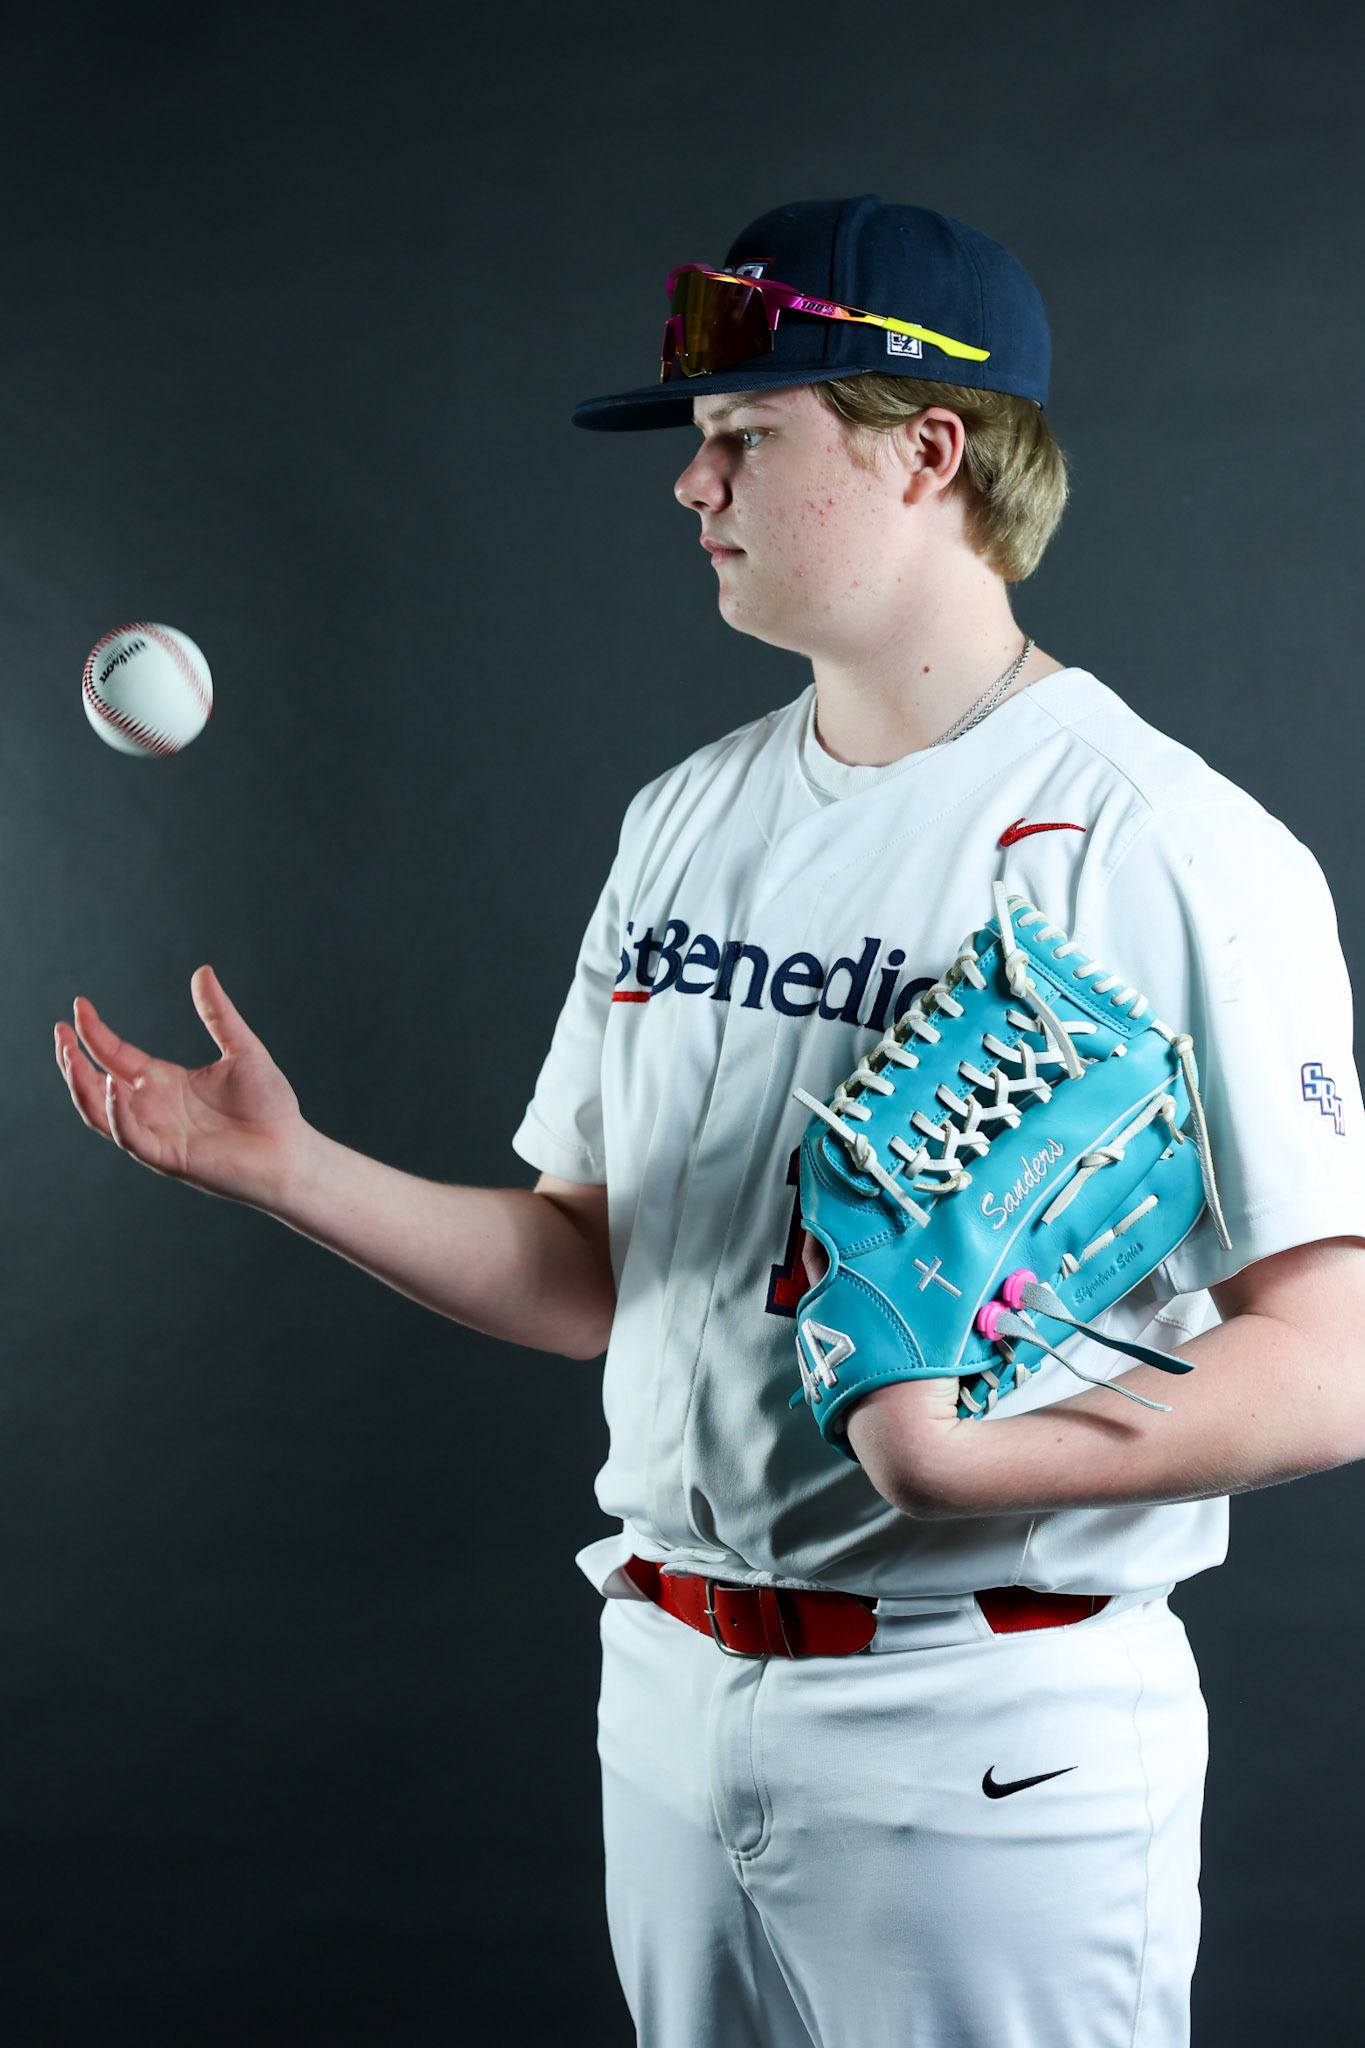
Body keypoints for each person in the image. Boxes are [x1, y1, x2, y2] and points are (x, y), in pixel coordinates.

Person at [55, 195, 1365, 2047]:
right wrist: (293, 1173)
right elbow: (592, 1271)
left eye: (745, 433)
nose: (692, 483)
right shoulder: (686, 819)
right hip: (668, 1689)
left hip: (983, 1724)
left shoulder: (1163, 846)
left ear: (926, 450)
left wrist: (965, 1462)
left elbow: (1331, 1365)